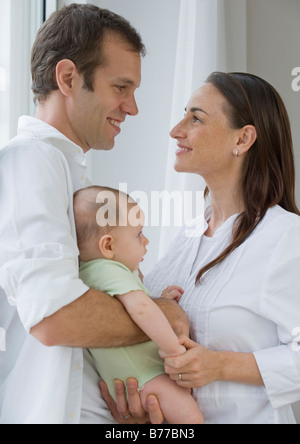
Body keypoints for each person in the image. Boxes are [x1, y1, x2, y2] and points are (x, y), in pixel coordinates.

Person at [0, 4, 187, 424]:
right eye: (121, 87)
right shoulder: (32, 163)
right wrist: (161, 316)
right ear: (68, 78)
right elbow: (56, 317)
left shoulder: (72, 176)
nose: (133, 107)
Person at [106, 72, 300, 424]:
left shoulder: (286, 237)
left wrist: (220, 365)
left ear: (243, 138)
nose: (176, 130)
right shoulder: (189, 236)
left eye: (195, 118)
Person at [73, 185, 204, 424]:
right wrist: (174, 350)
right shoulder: (107, 270)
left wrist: (161, 298)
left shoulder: (98, 271)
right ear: (108, 246)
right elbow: (142, 309)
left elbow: (141, 298)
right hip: (145, 375)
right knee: (192, 419)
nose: (146, 241)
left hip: (136, 375)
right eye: (138, 234)